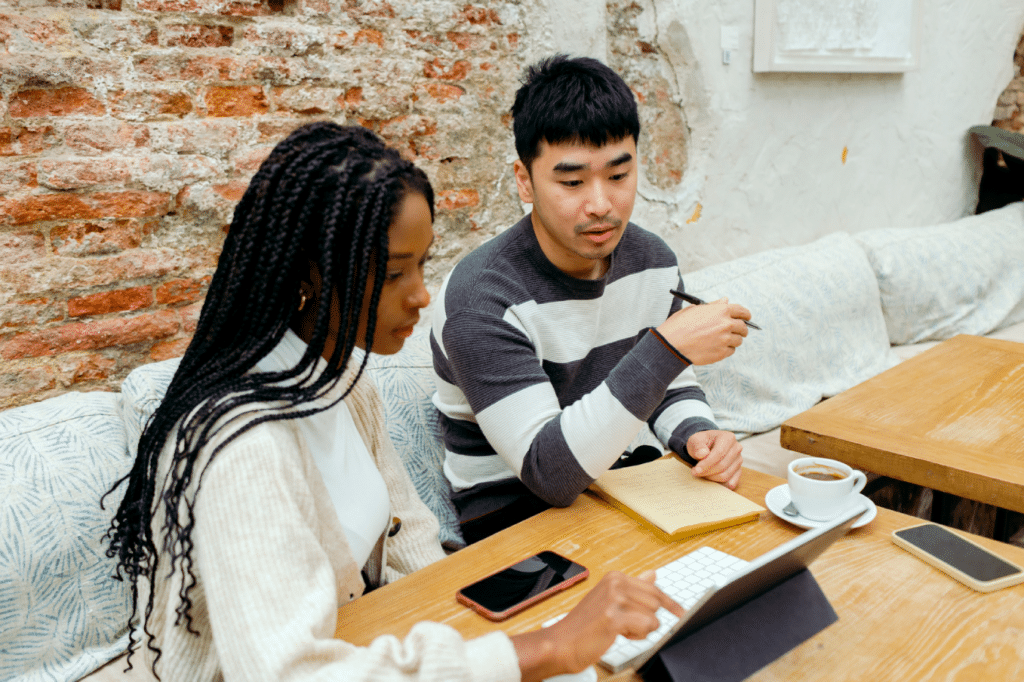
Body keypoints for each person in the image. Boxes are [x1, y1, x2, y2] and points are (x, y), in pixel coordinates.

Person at [103, 121, 683, 682]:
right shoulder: (241, 445)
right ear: (311, 276)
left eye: (423, 263)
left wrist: (491, 638)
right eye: (392, 273)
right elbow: (287, 673)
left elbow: (412, 542)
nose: (421, 295)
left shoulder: (342, 381)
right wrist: (541, 650)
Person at [430, 55, 752, 542]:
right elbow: (548, 472)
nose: (601, 204)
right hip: (516, 530)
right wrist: (667, 347)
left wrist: (696, 435)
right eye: (572, 182)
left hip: (618, 491)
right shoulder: (481, 297)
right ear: (525, 180)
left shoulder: (651, 260)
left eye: (618, 176)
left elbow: (668, 386)